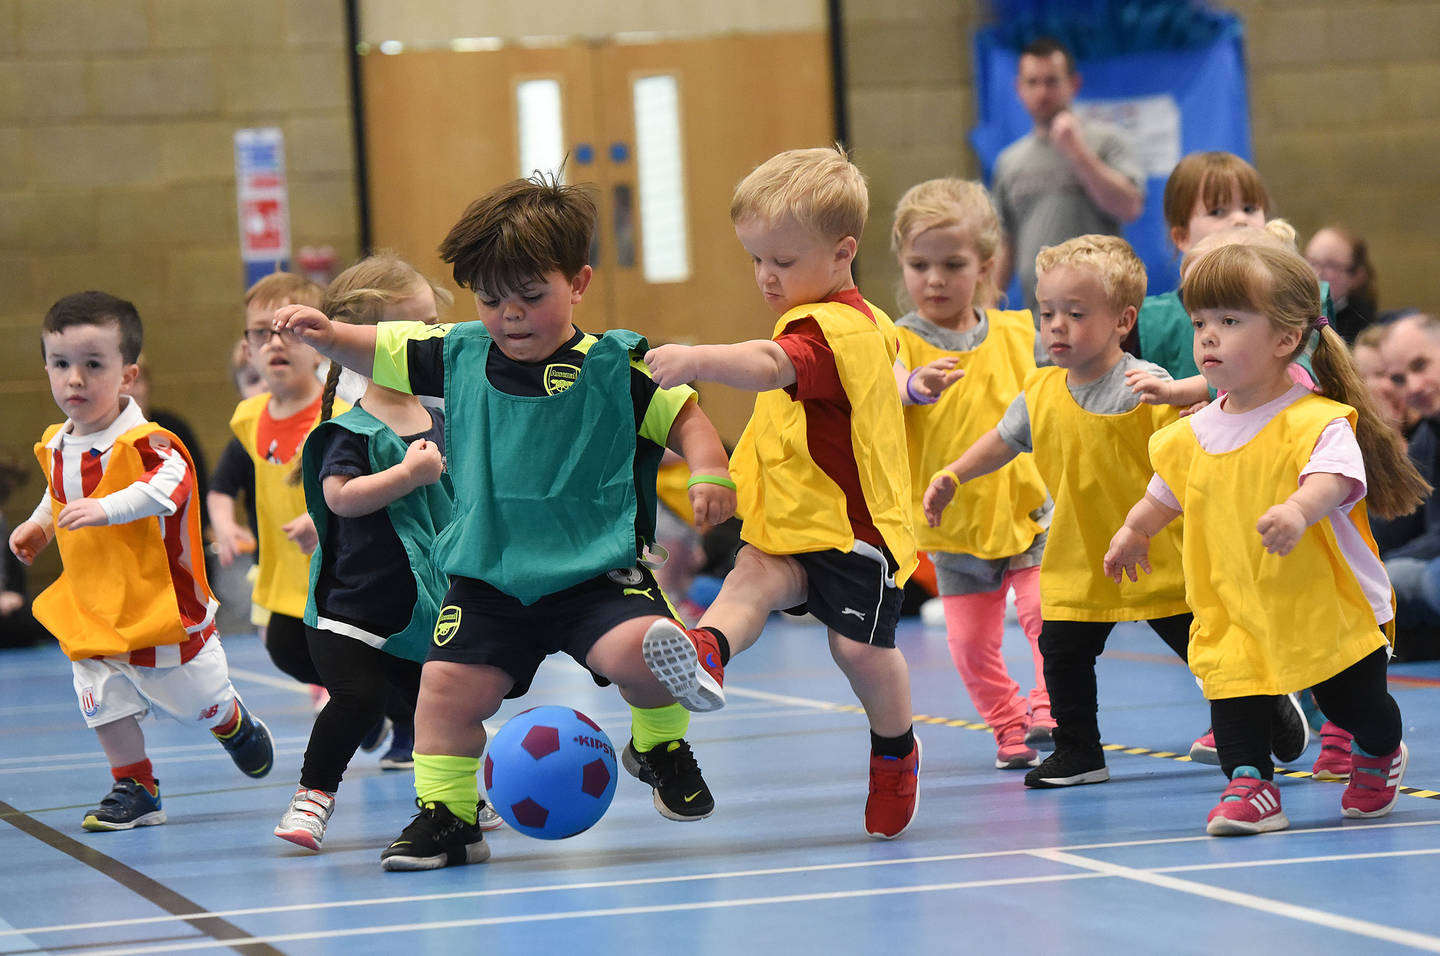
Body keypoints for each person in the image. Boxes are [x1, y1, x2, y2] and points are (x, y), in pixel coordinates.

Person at [275, 172, 737, 870]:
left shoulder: (615, 365)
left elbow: (689, 420)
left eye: (531, 296)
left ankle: (658, 745)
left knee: (646, 651)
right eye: (491, 299)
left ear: (578, 282)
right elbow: (379, 347)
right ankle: (450, 819)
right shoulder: (459, 352)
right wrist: (328, 331)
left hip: (594, 570)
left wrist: (710, 471)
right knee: (444, 694)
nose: (509, 315)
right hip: (488, 578)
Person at [642, 146, 962, 840]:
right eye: (756, 260)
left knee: (859, 653)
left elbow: (769, 365)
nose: (765, 277)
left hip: (854, 534)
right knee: (752, 575)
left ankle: (895, 752)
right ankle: (707, 651)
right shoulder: (857, 323)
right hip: (793, 524)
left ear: (843, 252)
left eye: (782, 262)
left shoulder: (828, 330)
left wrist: (698, 359)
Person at [1104, 242, 1425, 835]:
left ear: (1284, 339)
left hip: (1322, 601)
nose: (1207, 337)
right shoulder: (1189, 434)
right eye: (1200, 322)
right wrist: (1133, 531)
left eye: (1229, 321)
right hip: (1235, 602)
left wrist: (1299, 511)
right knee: (1234, 695)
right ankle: (1249, 785)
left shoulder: (1316, 420)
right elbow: (1165, 494)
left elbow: (1334, 480)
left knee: (1354, 706)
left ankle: (1381, 750)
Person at [922, 235, 1203, 790]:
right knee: (1063, 653)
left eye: (1075, 314)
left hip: (1155, 550)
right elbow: (1003, 441)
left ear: (1124, 321)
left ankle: (1262, 714)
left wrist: (1185, 407)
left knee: (1203, 649)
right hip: (1077, 555)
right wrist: (954, 473)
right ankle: (1079, 751)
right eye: (1047, 312)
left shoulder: (1146, 386)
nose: (1056, 326)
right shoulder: (1041, 389)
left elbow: (1187, 457)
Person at [7, 291, 274, 830]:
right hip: (93, 602)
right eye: (61, 364)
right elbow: (57, 495)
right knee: (100, 697)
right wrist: (39, 525)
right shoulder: (58, 446)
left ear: (127, 375)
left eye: (92, 365)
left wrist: (105, 508)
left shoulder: (151, 444)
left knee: (195, 697)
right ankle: (135, 784)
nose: (74, 379)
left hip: (159, 602)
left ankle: (230, 720)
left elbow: (166, 491)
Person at [273, 253, 473, 851]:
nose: (431, 342)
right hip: (349, 608)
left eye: (435, 327)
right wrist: (407, 476)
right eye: (415, 331)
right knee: (355, 699)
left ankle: (456, 797)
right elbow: (341, 497)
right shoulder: (352, 428)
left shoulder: (441, 418)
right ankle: (312, 799)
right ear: (368, 343)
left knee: (444, 706)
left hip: (419, 608)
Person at [888, 178, 1052, 769]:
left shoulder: (1020, 333)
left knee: (1043, 616)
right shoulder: (899, 341)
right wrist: (913, 386)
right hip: (953, 526)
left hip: (1026, 507)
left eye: (953, 264)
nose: (934, 279)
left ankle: (1047, 704)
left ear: (985, 264)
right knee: (969, 645)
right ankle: (1008, 724)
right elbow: (888, 388)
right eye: (919, 264)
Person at [212, 273, 335, 705]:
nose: (276, 343)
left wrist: (323, 516)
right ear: (248, 350)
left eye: (292, 331)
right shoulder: (249, 418)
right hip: (281, 572)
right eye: (264, 333)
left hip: (335, 569)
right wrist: (225, 525)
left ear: (321, 342)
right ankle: (360, 705)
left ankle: (378, 710)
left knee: (348, 655)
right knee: (283, 650)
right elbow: (223, 485)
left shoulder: (335, 412)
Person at [992, 36, 1144, 328]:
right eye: (1033, 82)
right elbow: (1004, 242)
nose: (1042, 92)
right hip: (1040, 320)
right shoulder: (1009, 161)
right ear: (1018, 88)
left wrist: (1077, 153)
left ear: (1073, 84)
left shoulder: (1105, 142)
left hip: (1103, 316)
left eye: (1051, 81)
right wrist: (987, 305)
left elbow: (1129, 207)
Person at [1132, 151, 1269, 381]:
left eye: (1249, 209)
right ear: (1182, 236)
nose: (1240, 219)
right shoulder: (1148, 321)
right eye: (1217, 211)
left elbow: (1305, 376)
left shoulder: (1297, 298)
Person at [1305, 225, 1378, 343]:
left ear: (1356, 276)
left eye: (1331, 266)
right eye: (1312, 262)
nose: (1317, 273)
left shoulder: (1360, 328)